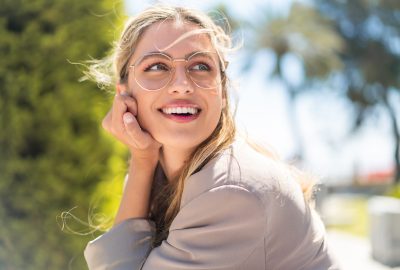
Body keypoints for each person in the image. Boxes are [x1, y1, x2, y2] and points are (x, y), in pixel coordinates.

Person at [83, 4, 340, 270]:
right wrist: (142, 161)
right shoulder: (163, 175)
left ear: (222, 89)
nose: (182, 84)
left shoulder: (230, 191)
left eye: (200, 66)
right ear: (124, 94)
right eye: (158, 66)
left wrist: (140, 161)